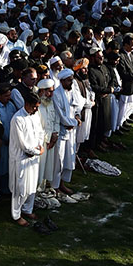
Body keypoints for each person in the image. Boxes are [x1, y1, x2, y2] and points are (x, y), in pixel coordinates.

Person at [9, 91, 44, 226]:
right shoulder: (17, 119)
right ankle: (16, 215)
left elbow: (40, 132)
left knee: (32, 186)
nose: (36, 109)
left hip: (34, 156)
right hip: (21, 158)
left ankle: (27, 209)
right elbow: (22, 144)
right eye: (34, 106)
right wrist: (34, 151)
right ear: (27, 104)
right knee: (21, 188)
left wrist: (39, 147)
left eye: (37, 107)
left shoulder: (35, 116)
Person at [52, 68, 83, 197]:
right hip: (62, 131)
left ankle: (63, 183)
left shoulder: (72, 92)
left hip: (71, 130)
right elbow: (60, 115)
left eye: (72, 80)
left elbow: (77, 106)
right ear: (63, 81)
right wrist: (73, 123)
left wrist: (77, 116)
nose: (71, 82)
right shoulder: (57, 94)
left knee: (68, 159)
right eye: (69, 80)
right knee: (59, 160)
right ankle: (55, 186)